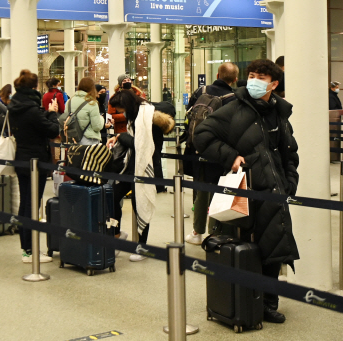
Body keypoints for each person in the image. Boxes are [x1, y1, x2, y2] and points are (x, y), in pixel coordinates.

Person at [193, 59, 299, 324]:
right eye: (251, 75)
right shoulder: (234, 108)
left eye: (261, 77)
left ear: (273, 84)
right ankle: (246, 302)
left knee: (274, 247)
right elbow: (202, 135)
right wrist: (231, 156)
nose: (253, 80)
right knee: (250, 247)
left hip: (275, 192)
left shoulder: (279, 112)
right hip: (247, 192)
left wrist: (290, 182)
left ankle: (268, 304)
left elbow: (289, 152)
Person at [106, 90, 174, 261]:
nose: (120, 113)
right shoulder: (137, 114)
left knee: (140, 204)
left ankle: (142, 246)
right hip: (132, 165)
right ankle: (116, 234)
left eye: (120, 109)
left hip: (144, 165)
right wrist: (119, 136)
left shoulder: (146, 116)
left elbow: (141, 145)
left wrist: (121, 137)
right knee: (113, 196)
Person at [183, 62, 239, 245]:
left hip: (198, 147)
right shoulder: (233, 98)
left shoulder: (201, 91)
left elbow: (188, 114)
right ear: (235, 79)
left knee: (202, 190)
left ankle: (197, 232)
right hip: (219, 151)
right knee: (219, 190)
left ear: (217, 74)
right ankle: (214, 233)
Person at [8, 69, 60, 263]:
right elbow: (52, 130)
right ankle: (30, 250)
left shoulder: (15, 106)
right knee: (32, 205)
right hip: (35, 161)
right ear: (34, 87)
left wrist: (46, 113)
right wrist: (53, 114)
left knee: (25, 203)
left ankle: (26, 248)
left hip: (21, 159)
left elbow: (35, 124)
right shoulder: (31, 109)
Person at [65, 77, 105, 145]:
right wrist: (101, 119)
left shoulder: (69, 102)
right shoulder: (92, 103)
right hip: (89, 140)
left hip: (72, 139)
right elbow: (97, 127)